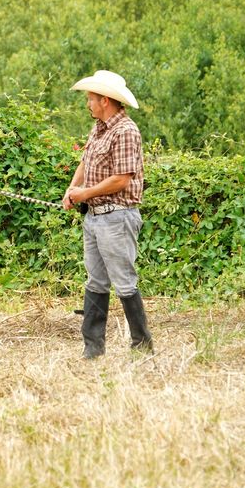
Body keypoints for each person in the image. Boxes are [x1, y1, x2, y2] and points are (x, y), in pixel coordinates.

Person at [62, 70, 152, 358]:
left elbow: (121, 179)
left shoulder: (126, 131)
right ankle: (93, 349)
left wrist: (84, 194)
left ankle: (141, 345)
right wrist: (72, 188)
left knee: (124, 280)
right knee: (96, 280)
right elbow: (85, 161)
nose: (87, 103)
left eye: (90, 99)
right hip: (95, 217)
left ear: (104, 100)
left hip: (117, 216)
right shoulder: (99, 127)